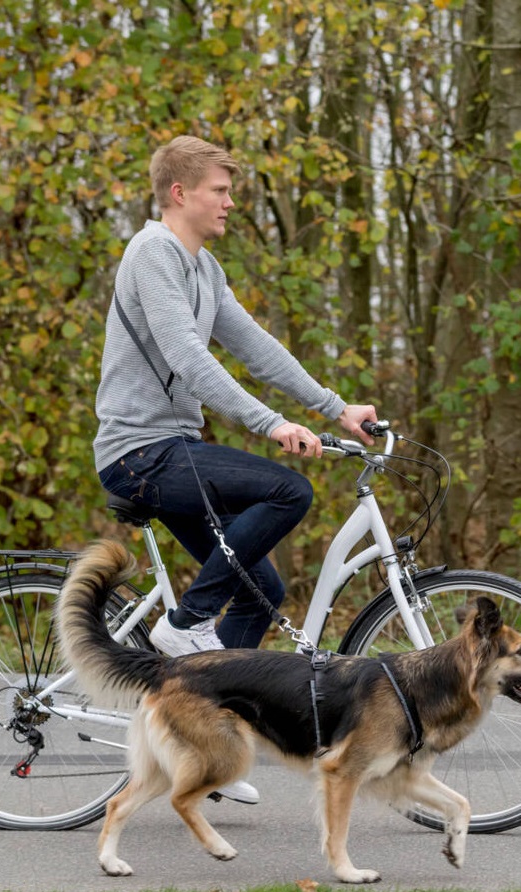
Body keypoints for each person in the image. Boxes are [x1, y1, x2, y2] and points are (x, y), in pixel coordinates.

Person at [94, 136, 377, 799]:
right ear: (179, 193)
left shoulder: (204, 269)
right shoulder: (152, 256)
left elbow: (255, 345)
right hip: (141, 453)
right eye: (220, 190)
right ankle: (187, 623)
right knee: (287, 489)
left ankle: (203, 735)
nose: (230, 201)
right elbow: (191, 357)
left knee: (260, 589)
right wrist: (271, 423)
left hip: (174, 451)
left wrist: (335, 409)